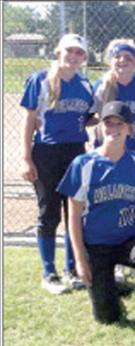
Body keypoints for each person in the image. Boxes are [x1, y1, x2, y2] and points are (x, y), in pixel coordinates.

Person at [57, 101, 135, 346]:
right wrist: (80, 259)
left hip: (129, 241)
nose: (114, 128)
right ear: (99, 127)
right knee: (107, 317)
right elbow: (73, 217)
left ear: (130, 129)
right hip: (96, 245)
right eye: (108, 122)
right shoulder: (84, 164)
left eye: (120, 123)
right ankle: (110, 290)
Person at [20, 33, 94, 294]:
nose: (73, 57)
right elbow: (30, 120)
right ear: (58, 52)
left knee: (75, 211)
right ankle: (49, 273)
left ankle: (71, 269)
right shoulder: (40, 80)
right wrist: (26, 158)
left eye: (79, 53)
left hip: (75, 151)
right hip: (47, 152)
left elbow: (88, 118)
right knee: (49, 212)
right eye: (69, 51)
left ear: (83, 57)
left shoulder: (85, 84)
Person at [91, 38, 135, 281]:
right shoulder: (102, 85)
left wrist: (130, 133)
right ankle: (116, 263)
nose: (123, 61)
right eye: (118, 56)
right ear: (111, 60)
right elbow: (93, 117)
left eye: (128, 57)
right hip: (107, 155)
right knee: (113, 206)